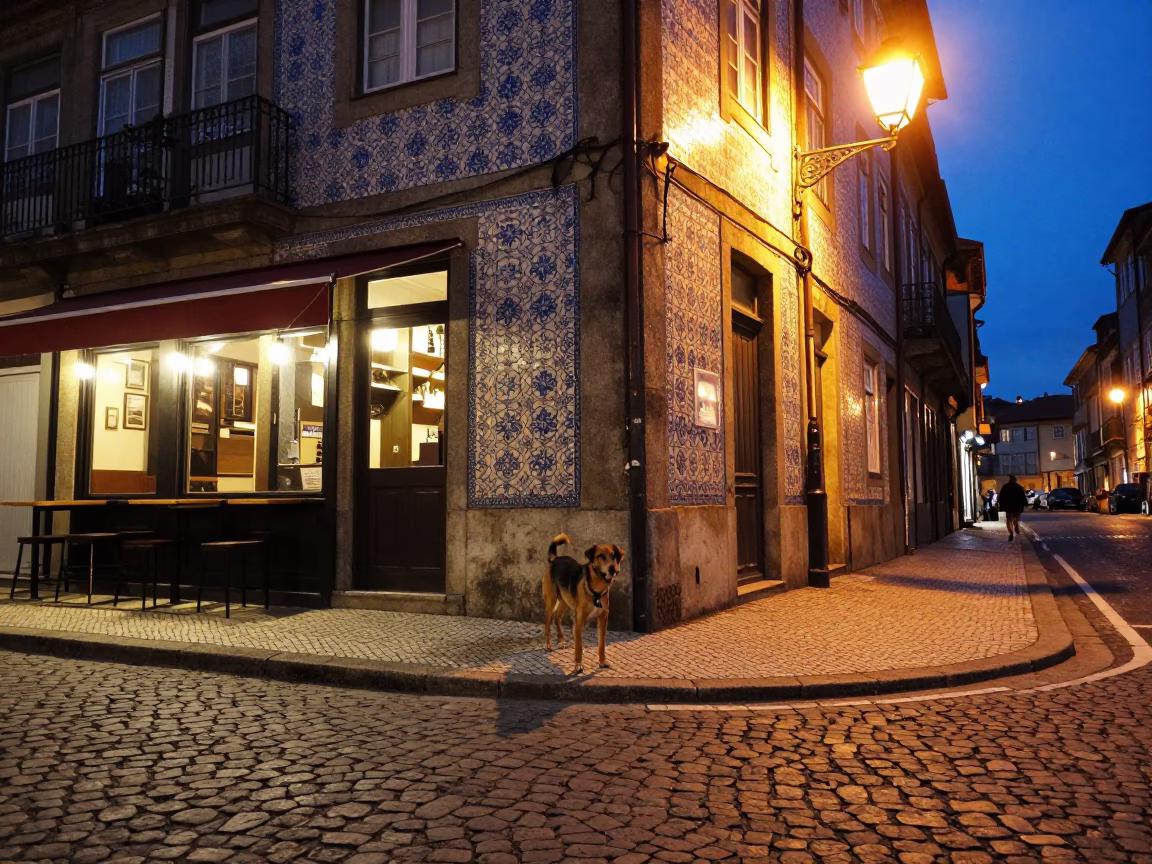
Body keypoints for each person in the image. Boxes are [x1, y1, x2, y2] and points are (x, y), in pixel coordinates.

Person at [998, 474, 1027, 541]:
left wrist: (1001, 505)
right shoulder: (1018, 487)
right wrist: (1024, 504)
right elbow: (1022, 496)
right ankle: (1016, 525)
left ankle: (1011, 533)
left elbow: (1001, 497)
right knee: (1016, 517)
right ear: (1014, 480)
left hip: (1008, 506)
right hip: (1017, 506)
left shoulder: (1005, 487)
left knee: (1009, 519)